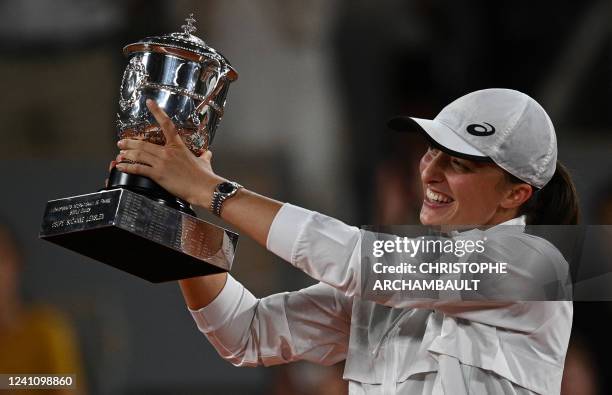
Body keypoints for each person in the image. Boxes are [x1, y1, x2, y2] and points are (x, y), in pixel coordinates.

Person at [115, 88, 578, 394]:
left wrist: (212, 190)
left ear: (516, 194)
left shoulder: (536, 266)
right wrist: (178, 219)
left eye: (460, 163)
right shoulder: (406, 279)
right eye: (433, 150)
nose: (431, 171)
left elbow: (357, 260)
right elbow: (247, 332)